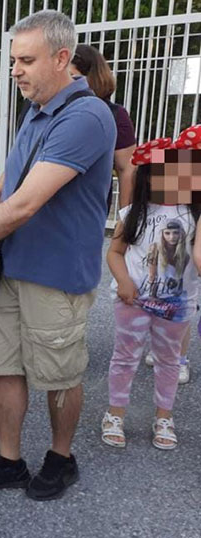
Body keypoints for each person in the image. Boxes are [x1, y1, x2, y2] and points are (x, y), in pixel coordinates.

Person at [0, 10, 116, 501]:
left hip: (55, 275)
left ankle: (61, 458)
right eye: (14, 59)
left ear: (62, 58)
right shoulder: (37, 107)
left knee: (60, 373)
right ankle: (8, 459)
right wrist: (0, 185)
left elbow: (30, 203)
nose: (15, 69)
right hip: (12, 267)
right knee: (5, 366)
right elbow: (25, 176)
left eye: (26, 60)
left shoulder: (87, 116)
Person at [101, 136, 201, 450]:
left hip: (177, 304)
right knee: (125, 357)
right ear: (150, 175)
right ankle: (115, 414)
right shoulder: (133, 213)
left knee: (170, 361)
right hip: (133, 301)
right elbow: (114, 253)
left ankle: (164, 417)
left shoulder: (196, 215)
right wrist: (124, 281)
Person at [68, 44, 137, 209]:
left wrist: (124, 223)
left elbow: (127, 169)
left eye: (71, 76)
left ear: (91, 78)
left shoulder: (114, 114)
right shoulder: (45, 110)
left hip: (86, 212)